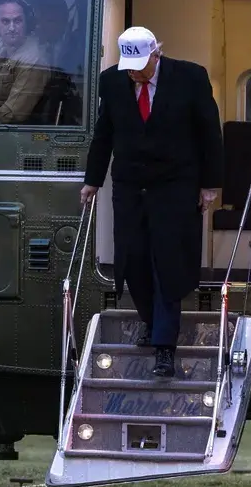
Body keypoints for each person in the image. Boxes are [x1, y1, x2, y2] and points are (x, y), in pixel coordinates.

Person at [81, 27, 224, 377]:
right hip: (130, 186)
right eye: (128, 66)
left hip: (175, 185)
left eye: (140, 66)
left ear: (156, 54)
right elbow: (104, 134)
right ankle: (150, 320)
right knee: (133, 260)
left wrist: (210, 185)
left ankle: (164, 346)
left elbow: (209, 132)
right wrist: (92, 180)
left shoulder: (190, 77)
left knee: (168, 264)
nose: (133, 73)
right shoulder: (112, 82)